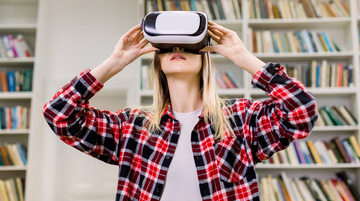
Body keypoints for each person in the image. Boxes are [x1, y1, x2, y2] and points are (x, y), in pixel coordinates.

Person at [43, 21, 318, 201]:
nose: (177, 48)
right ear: (158, 62)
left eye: (188, 45)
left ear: (204, 58)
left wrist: (243, 58)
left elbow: (302, 111)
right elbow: (59, 115)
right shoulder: (133, 127)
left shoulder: (241, 120)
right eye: (167, 46)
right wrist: (115, 62)